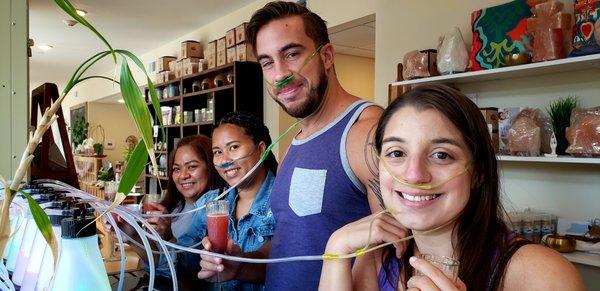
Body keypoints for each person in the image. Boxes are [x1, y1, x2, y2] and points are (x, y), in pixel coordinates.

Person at [319, 84, 584, 291]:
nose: (414, 175)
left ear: (478, 173)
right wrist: (335, 251)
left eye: (441, 155)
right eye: (397, 152)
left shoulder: (542, 274)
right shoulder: (377, 258)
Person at [199, 2, 387, 290]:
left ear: (326, 56)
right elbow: (289, 248)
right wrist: (241, 265)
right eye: (267, 62)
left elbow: (393, 256)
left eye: (291, 54)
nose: (279, 74)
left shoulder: (367, 132)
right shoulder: (293, 142)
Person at [175, 111, 278, 290]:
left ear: (261, 149)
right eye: (217, 152)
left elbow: (288, 266)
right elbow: (180, 263)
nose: (224, 160)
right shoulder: (211, 202)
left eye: (233, 147)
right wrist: (140, 238)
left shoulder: (285, 200)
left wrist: (241, 267)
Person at [104, 134, 224, 289]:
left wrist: (167, 236)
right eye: (176, 169)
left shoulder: (216, 213)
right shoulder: (169, 207)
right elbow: (154, 265)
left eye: (192, 166)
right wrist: (131, 235)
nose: (183, 175)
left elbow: (183, 270)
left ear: (211, 167)